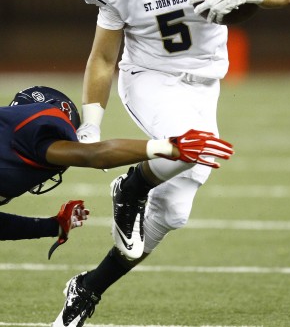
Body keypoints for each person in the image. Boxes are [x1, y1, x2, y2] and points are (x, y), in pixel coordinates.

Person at [52, 0, 290, 325]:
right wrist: (90, 124)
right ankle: (132, 187)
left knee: (174, 214)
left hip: (205, 82)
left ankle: (87, 287)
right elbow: (104, 56)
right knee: (192, 146)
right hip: (149, 77)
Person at [0, 84, 232, 258]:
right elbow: (95, 155)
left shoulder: (14, 138)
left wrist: (53, 226)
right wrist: (169, 147)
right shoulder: (37, 130)